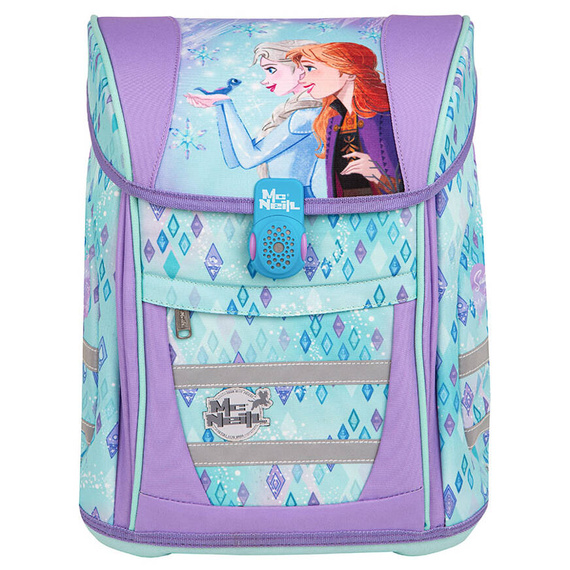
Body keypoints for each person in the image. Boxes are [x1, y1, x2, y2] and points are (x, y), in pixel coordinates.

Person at [184, 40, 326, 198]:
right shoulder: (292, 112)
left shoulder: (307, 115)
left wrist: (227, 104)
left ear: (301, 68)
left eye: (271, 70)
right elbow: (234, 159)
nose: (264, 80)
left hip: (298, 202)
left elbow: (249, 159)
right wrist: (221, 105)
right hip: (276, 199)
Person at [287, 42, 403, 197]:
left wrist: (378, 175)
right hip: (344, 209)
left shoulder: (385, 116)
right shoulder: (332, 120)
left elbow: (409, 182)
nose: (302, 80)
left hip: (385, 209)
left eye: (310, 69)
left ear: (349, 72)